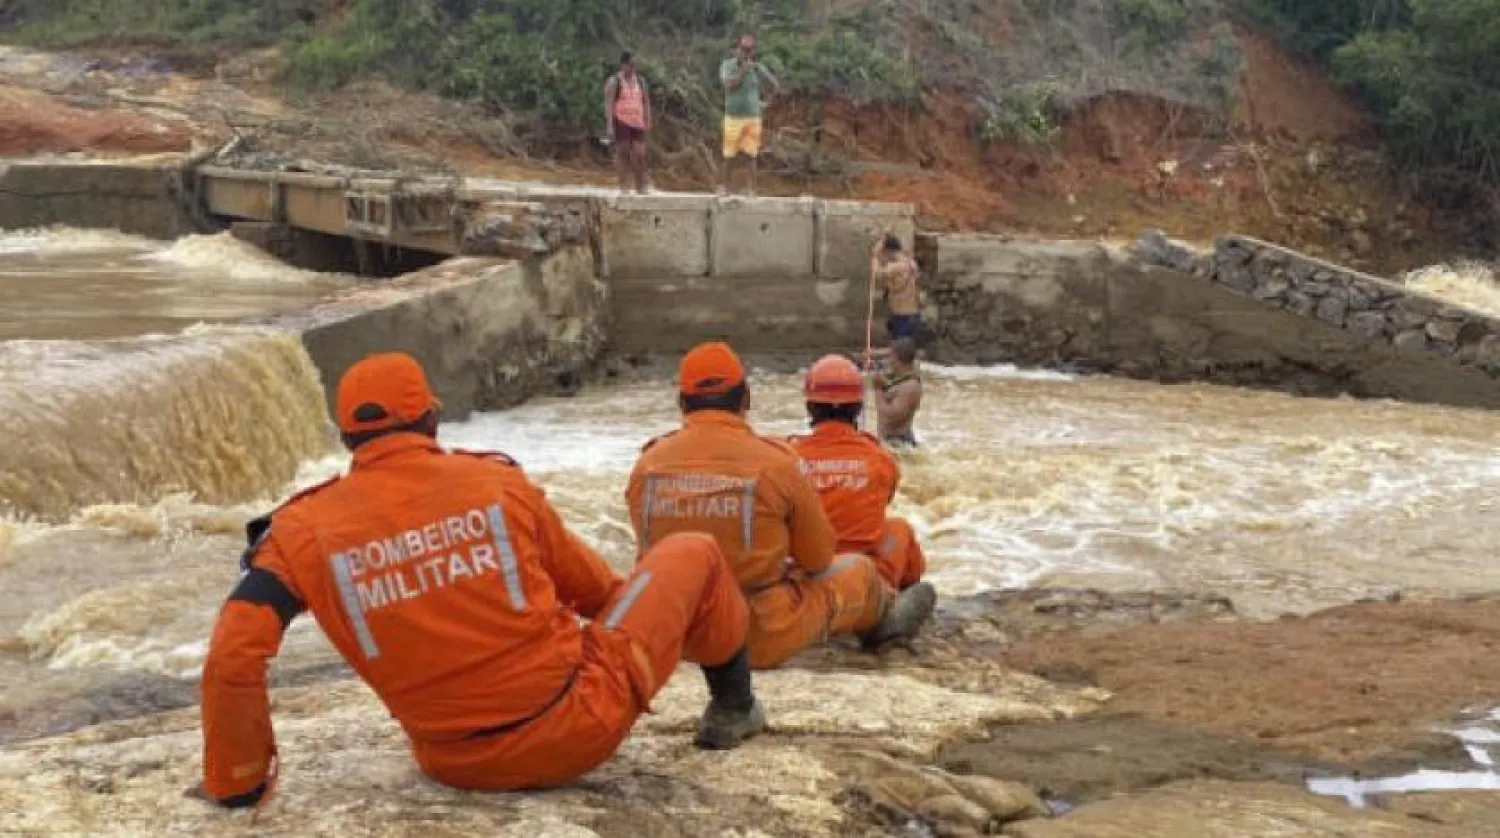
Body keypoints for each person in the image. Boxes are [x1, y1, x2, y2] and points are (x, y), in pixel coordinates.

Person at [192, 352, 764, 811]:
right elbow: (598, 594)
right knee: (692, 551)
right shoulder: (496, 484)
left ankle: (238, 779)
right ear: (432, 421)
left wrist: (236, 781)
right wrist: (654, 634)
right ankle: (733, 708)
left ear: (346, 440)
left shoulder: (299, 532)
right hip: (576, 728)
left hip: (452, 762)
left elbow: (232, 657)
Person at [626, 342, 936, 670]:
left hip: (674, 630)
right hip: (757, 633)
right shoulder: (778, 462)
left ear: (680, 402)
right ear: (746, 398)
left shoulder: (647, 464)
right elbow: (817, 558)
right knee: (857, 572)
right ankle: (882, 617)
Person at [788, 354, 927, 591]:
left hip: (803, 577)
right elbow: (884, 500)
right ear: (858, 408)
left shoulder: (787, 456)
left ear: (810, 406)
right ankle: (894, 600)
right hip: (860, 578)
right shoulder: (880, 458)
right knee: (899, 529)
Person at [719, 33, 779, 197]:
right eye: (743, 49)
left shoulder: (758, 68)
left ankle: (751, 189)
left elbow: (774, 85)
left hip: (752, 117)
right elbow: (729, 85)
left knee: (751, 154)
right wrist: (743, 71)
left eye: (749, 50)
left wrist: (766, 103)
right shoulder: (728, 65)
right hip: (733, 117)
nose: (746, 53)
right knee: (729, 154)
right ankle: (725, 187)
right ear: (737, 49)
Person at [604, 51, 653, 194]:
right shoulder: (614, 81)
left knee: (640, 154)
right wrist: (609, 125)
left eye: (635, 66)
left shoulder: (641, 81)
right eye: (631, 65)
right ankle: (623, 185)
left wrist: (648, 119)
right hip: (621, 120)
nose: (633, 69)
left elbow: (646, 101)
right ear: (623, 65)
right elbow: (609, 103)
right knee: (623, 152)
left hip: (637, 121)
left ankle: (640, 186)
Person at [871, 234, 922, 342]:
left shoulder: (896, 267)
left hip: (902, 315)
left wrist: (874, 255)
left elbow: (877, 273)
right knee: (903, 347)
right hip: (912, 313)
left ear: (888, 251)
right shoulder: (911, 263)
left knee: (900, 349)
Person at [875, 338, 922, 448]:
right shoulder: (900, 377)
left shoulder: (910, 386)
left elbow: (891, 416)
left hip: (898, 443)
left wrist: (878, 390)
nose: (887, 360)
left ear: (895, 357)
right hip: (890, 441)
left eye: (889, 356)